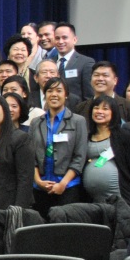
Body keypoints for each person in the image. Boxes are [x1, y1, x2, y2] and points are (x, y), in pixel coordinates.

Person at [29, 77, 89, 216]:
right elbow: (31, 156)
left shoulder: (78, 121)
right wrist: (38, 181)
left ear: (66, 94)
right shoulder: (36, 122)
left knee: (65, 231)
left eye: (59, 91)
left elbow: (80, 157)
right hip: (40, 187)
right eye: (49, 91)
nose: (54, 94)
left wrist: (63, 184)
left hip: (68, 187)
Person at [81, 96, 130, 203]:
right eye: (96, 108)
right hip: (93, 200)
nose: (99, 111)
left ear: (114, 113)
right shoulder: (87, 137)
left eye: (105, 109)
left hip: (120, 197)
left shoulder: (123, 136)